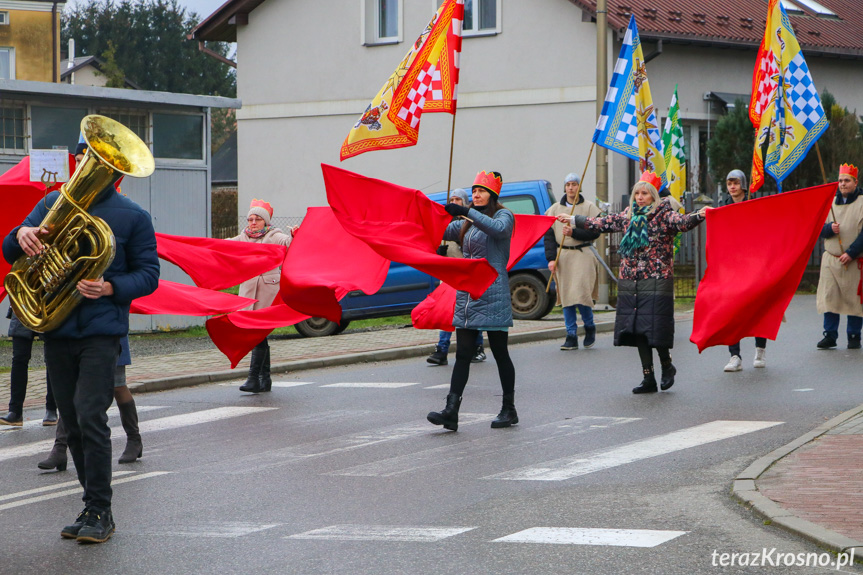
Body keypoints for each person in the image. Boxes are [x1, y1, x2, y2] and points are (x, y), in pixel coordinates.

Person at [2, 137, 159, 544]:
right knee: (70, 422)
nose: (91, 162)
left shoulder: (133, 217)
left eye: (101, 159)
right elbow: (10, 250)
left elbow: (149, 274)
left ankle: (101, 510)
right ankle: (90, 504)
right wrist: (21, 234)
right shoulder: (54, 204)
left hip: (100, 332)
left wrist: (110, 287)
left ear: (119, 170)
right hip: (56, 330)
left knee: (90, 416)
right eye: (88, 155)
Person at [558, 171, 707, 394]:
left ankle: (667, 366)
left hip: (656, 279)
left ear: (653, 196)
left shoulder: (664, 214)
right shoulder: (629, 215)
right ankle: (648, 377)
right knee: (638, 330)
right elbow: (604, 222)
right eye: (637, 193)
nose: (639, 196)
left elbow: (683, 222)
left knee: (655, 329)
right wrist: (574, 219)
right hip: (631, 280)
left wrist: (700, 214)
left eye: (644, 193)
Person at [427, 171, 517, 431]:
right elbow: (439, 228)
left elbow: (498, 231)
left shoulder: (503, 216)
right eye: (474, 191)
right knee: (463, 354)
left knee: (500, 354)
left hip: (493, 292)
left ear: (493, 195)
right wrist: (440, 214)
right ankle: (451, 411)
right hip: (468, 296)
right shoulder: (466, 223)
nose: (476, 195)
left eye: (482, 191)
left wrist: (465, 212)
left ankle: (509, 409)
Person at [38, 335, 142, 471]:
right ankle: (60, 448)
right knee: (72, 391)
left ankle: (134, 439)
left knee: (118, 385)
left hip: (108, 334)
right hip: (78, 336)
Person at [228, 199, 297, 393]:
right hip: (249, 292)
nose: (252, 222)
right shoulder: (243, 238)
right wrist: (202, 245)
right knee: (258, 333)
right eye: (250, 219)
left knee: (257, 332)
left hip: (268, 291)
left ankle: (253, 379)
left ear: (265, 221)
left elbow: (288, 243)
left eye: (257, 219)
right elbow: (223, 246)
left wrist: (293, 235)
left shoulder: (274, 235)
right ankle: (264, 379)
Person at [427, 188, 485, 366]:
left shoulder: (471, 221)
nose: (454, 202)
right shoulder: (445, 224)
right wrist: (439, 253)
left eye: (457, 199)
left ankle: (477, 347)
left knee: (469, 313)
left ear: (465, 203)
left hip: (467, 275)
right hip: (449, 276)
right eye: (451, 199)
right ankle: (442, 350)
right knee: (448, 313)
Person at [544, 172, 601, 350]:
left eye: (574, 184)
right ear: (564, 187)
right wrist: (551, 259)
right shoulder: (554, 209)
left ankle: (589, 326)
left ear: (579, 186)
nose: (571, 187)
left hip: (583, 254)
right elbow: (549, 236)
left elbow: (595, 231)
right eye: (568, 184)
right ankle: (571, 335)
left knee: (581, 294)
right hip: (564, 257)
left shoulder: (589, 207)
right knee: (567, 297)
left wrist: (574, 232)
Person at [721, 170, 768, 371]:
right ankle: (735, 356)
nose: (732, 186)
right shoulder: (722, 208)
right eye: (729, 183)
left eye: (736, 182)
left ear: (743, 184)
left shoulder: (755, 205)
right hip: (732, 265)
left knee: (758, 308)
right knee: (732, 310)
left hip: (754, 263)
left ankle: (760, 350)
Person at [816, 163, 863, 350]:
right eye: (840, 180)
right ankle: (830, 335)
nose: (842, 184)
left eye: (846, 181)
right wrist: (829, 229)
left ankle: (853, 335)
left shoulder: (862, 203)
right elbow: (818, 227)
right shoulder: (830, 203)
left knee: (854, 299)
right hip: (831, 259)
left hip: (854, 260)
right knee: (830, 298)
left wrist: (851, 253)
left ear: (855, 182)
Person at [0, 308, 58, 426]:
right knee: (19, 359)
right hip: (23, 309)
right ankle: (15, 412)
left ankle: (51, 409)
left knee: (51, 359)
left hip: (48, 306)